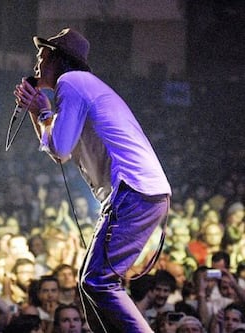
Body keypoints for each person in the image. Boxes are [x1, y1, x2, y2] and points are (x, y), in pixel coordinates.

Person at [14, 27, 171, 332]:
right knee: (90, 287)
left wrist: (43, 110)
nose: (36, 60)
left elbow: (59, 146)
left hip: (133, 190)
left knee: (98, 281)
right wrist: (39, 112)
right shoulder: (81, 85)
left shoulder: (72, 82)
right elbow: (60, 151)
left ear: (56, 58)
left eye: (41, 53)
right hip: (138, 192)